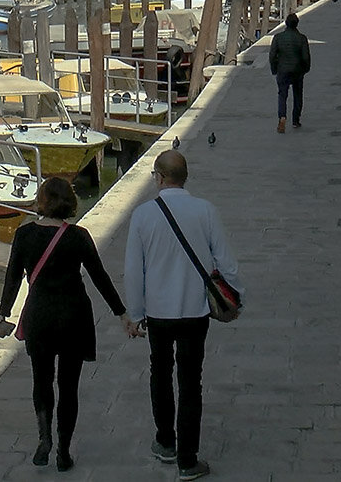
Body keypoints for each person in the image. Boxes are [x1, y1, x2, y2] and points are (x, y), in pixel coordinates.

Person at [0, 177, 132, 471]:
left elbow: (12, 278)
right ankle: (64, 452)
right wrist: (120, 312)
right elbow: (100, 277)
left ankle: (44, 439)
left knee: (41, 381)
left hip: (40, 316)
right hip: (73, 316)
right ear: (69, 201)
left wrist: (3, 315)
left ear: (41, 201)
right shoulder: (78, 236)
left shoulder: (24, 235)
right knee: (69, 386)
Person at [124, 151, 244, 482]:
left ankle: (165, 441)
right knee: (191, 382)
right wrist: (236, 297)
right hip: (195, 310)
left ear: (158, 177)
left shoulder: (143, 215)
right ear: (184, 177)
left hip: (158, 312)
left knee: (160, 373)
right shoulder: (205, 210)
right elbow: (226, 260)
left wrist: (134, 313)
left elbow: (134, 271)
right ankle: (188, 460)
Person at [268, 13, 311, 132]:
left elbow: (272, 55)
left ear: (286, 24)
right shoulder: (302, 38)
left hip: (282, 70)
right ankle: (296, 120)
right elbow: (306, 57)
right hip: (297, 71)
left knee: (282, 95)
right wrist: (306, 69)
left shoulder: (278, 37)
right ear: (297, 24)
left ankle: (282, 117)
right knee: (298, 95)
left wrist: (274, 69)